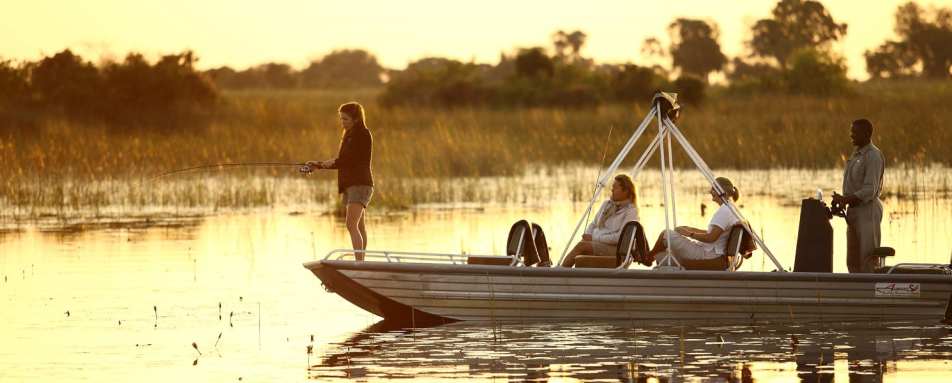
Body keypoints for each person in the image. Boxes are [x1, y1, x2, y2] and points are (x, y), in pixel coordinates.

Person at [307, 102, 374, 261]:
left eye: (345, 119)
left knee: (351, 225)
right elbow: (343, 161)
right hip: (351, 186)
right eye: (341, 119)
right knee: (359, 226)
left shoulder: (363, 134)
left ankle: (359, 264)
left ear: (356, 119)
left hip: (360, 185)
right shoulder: (349, 135)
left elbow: (349, 160)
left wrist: (328, 163)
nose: (342, 122)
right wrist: (319, 165)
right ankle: (361, 262)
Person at [647, 177, 740, 266]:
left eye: (714, 189)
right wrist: (690, 229)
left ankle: (647, 258)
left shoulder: (725, 211)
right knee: (661, 256)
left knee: (666, 234)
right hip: (708, 250)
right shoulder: (730, 208)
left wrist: (689, 234)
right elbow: (712, 233)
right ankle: (650, 258)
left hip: (708, 254)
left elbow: (711, 238)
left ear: (723, 192)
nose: (710, 191)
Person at [833, 119, 884, 273]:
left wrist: (846, 199)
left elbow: (869, 190)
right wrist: (842, 202)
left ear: (867, 134)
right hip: (853, 212)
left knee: (868, 259)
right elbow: (854, 186)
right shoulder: (856, 154)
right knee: (852, 260)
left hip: (867, 210)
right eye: (851, 131)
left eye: (855, 132)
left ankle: (871, 294)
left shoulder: (873, 156)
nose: (851, 135)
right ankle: (855, 293)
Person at [560, 174, 639, 267]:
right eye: (612, 187)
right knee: (582, 249)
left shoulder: (631, 211)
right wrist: (588, 234)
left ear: (625, 191)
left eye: (615, 187)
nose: (612, 190)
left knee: (582, 246)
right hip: (600, 243)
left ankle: (559, 272)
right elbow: (594, 224)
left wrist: (594, 238)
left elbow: (619, 238)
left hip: (615, 249)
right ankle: (570, 276)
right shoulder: (607, 204)